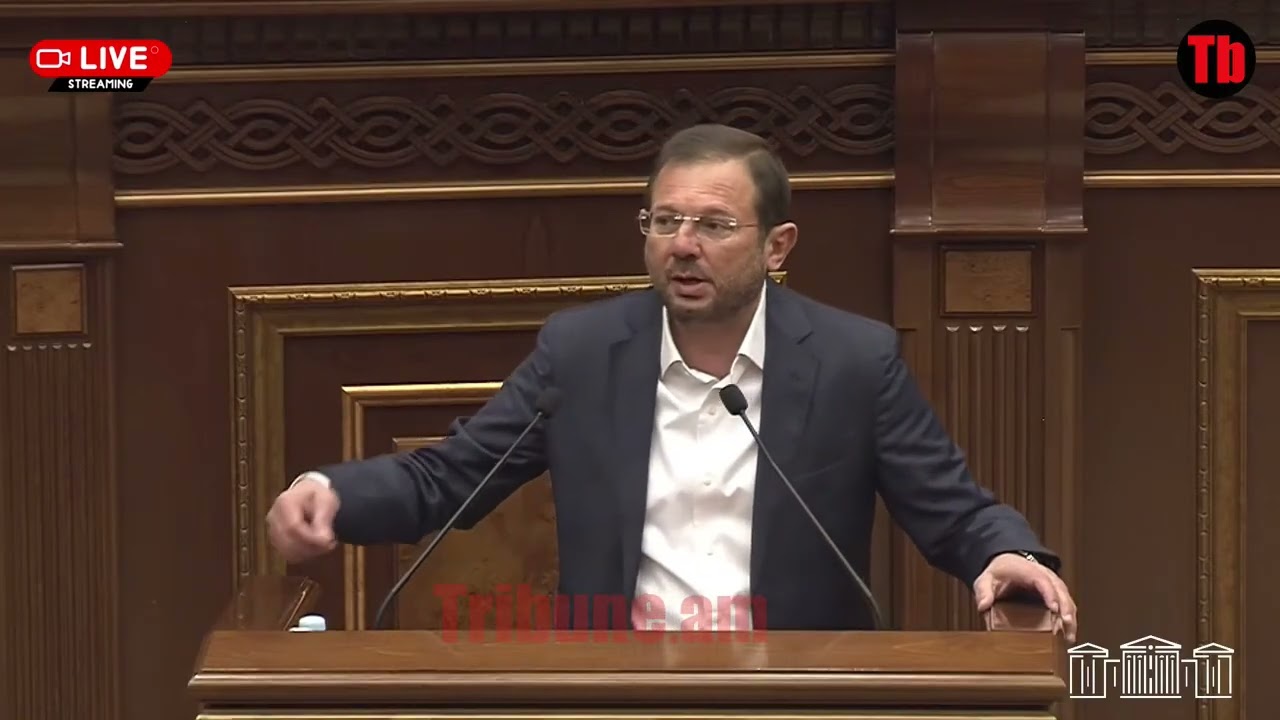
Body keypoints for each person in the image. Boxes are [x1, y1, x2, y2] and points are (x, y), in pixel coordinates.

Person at [266, 123, 1078, 639]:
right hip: (618, 689)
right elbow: (450, 478)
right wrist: (330, 493)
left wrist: (1003, 554)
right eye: (665, 221)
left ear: (777, 245)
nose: (683, 245)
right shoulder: (582, 353)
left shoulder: (852, 362)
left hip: (797, 692)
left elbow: (951, 509)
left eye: (715, 225)